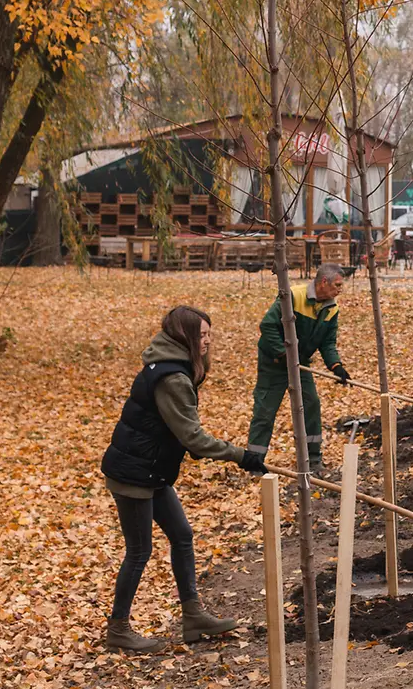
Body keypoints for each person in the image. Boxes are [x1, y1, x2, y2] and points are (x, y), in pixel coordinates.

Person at [101, 305, 267, 652]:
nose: (207, 341)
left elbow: (176, 428)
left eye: (209, 334)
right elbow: (193, 436)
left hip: (152, 468)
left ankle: (193, 616)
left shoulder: (173, 362)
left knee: (182, 534)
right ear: (185, 336)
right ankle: (118, 629)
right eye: (202, 335)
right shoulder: (172, 377)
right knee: (139, 551)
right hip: (134, 471)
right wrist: (241, 456)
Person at [247, 263, 350, 472]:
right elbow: (267, 325)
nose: (340, 290)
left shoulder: (331, 308)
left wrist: (336, 365)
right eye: (337, 285)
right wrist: (283, 354)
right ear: (324, 282)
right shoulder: (293, 296)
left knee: (311, 405)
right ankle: (254, 462)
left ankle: (313, 458)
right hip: (274, 363)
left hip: (300, 364)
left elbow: (328, 342)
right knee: (265, 411)